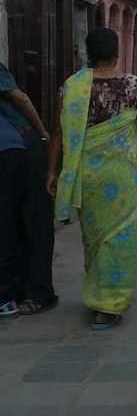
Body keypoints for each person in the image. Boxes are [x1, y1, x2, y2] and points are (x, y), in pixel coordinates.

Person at [45, 28, 137, 330]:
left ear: (88, 54)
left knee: (94, 237)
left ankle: (98, 293)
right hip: (121, 178)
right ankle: (109, 304)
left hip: (87, 176)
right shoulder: (133, 86)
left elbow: (58, 133)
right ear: (117, 53)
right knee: (121, 235)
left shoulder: (71, 87)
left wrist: (52, 172)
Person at [0, 60, 58, 314]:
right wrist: (43, 134)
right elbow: (21, 99)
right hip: (15, 143)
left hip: (18, 142)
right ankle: (24, 292)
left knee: (26, 218)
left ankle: (34, 291)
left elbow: (20, 99)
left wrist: (42, 135)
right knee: (20, 219)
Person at [0, 113, 31, 319]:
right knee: (12, 223)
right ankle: (16, 291)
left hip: (4, 154)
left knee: (4, 226)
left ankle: (5, 299)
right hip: (15, 149)